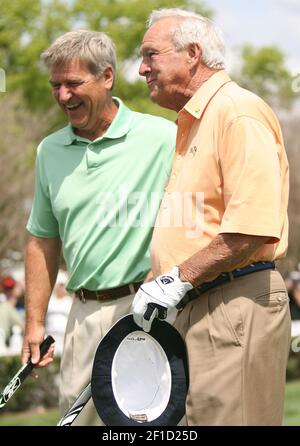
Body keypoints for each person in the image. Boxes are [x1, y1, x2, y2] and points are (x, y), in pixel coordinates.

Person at [132, 8, 291, 426]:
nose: (141, 68)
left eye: (151, 55)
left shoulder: (237, 112)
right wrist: (163, 279)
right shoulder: (195, 121)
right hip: (202, 302)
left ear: (193, 54)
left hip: (233, 303)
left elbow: (251, 226)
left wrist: (177, 277)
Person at [22, 30, 176, 425]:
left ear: (107, 77)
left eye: (73, 83)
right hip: (82, 315)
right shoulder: (49, 151)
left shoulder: (161, 137)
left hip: (147, 312)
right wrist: (35, 324)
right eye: (56, 85)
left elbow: (197, 214)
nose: (63, 96)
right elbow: (42, 240)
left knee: (153, 428)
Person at [45, 270, 73, 355]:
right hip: (50, 336)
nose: (60, 288)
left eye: (62, 285)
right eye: (59, 285)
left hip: (64, 338)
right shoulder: (49, 301)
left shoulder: (69, 302)